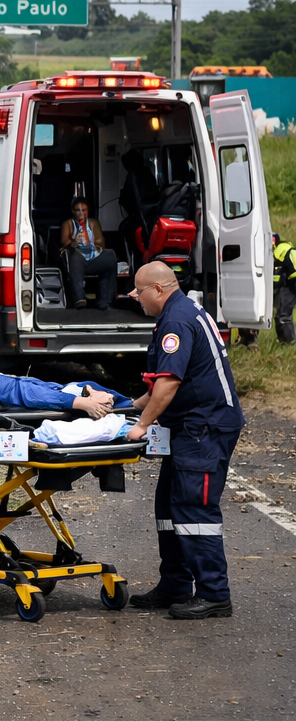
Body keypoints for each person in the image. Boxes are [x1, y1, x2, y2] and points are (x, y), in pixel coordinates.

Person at [124, 260, 244, 620]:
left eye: (138, 291)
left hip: (204, 429)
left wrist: (140, 426)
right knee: (168, 507)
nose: (135, 297)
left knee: (194, 510)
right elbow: (163, 382)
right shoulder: (183, 311)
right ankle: (175, 584)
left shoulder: (175, 321)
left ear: (158, 289)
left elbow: (170, 384)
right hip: (193, 427)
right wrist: (129, 407)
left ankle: (214, 594)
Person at [60, 196, 117, 310]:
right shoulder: (68, 224)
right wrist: (75, 240)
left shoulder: (93, 223)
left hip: (92, 257)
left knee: (110, 255)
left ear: (88, 211)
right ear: (73, 212)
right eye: (78, 210)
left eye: (84, 210)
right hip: (77, 258)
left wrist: (94, 245)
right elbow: (64, 241)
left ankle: (104, 300)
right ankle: (79, 298)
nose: (81, 213)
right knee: (74, 255)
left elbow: (101, 242)